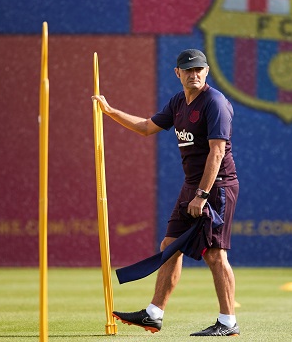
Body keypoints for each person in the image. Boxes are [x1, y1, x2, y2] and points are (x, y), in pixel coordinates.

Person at [91, 48, 240, 337]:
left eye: (198, 69)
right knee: (169, 246)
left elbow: (217, 151)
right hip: (192, 186)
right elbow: (147, 127)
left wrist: (202, 195)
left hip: (216, 186)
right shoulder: (178, 102)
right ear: (178, 73)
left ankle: (228, 321)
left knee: (215, 255)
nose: (193, 74)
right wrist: (110, 112)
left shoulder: (215, 103)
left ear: (206, 71)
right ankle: (153, 314)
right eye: (187, 70)